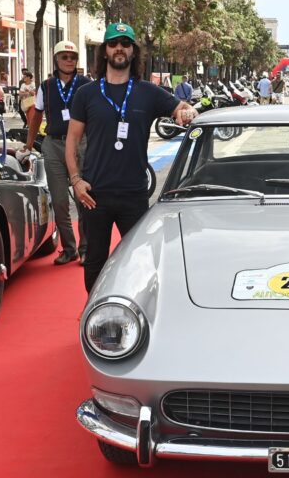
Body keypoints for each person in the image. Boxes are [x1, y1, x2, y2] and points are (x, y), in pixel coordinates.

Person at [66, 23, 197, 292]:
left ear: (133, 52)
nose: (119, 49)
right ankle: (95, 313)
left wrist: (188, 111)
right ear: (104, 51)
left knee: (141, 259)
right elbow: (71, 141)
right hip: (95, 194)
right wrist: (76, 180)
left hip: (134, 194)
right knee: (95, 261)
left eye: (125, 44)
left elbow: (180, 108)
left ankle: (135, 311)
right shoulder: (86, 94)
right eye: (113, 44)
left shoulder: (147, 92)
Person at [24, 40, 91, 266]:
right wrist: (28, 143)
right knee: (60, 200)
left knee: (84, 199)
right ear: (56, 60)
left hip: (82, 145)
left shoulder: (86, 84)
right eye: (64, 57)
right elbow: (36, 116)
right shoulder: (46, 86)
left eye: (72, 57)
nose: (69, 61)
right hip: (53, 145)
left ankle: (86, 249)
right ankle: (69, 248)